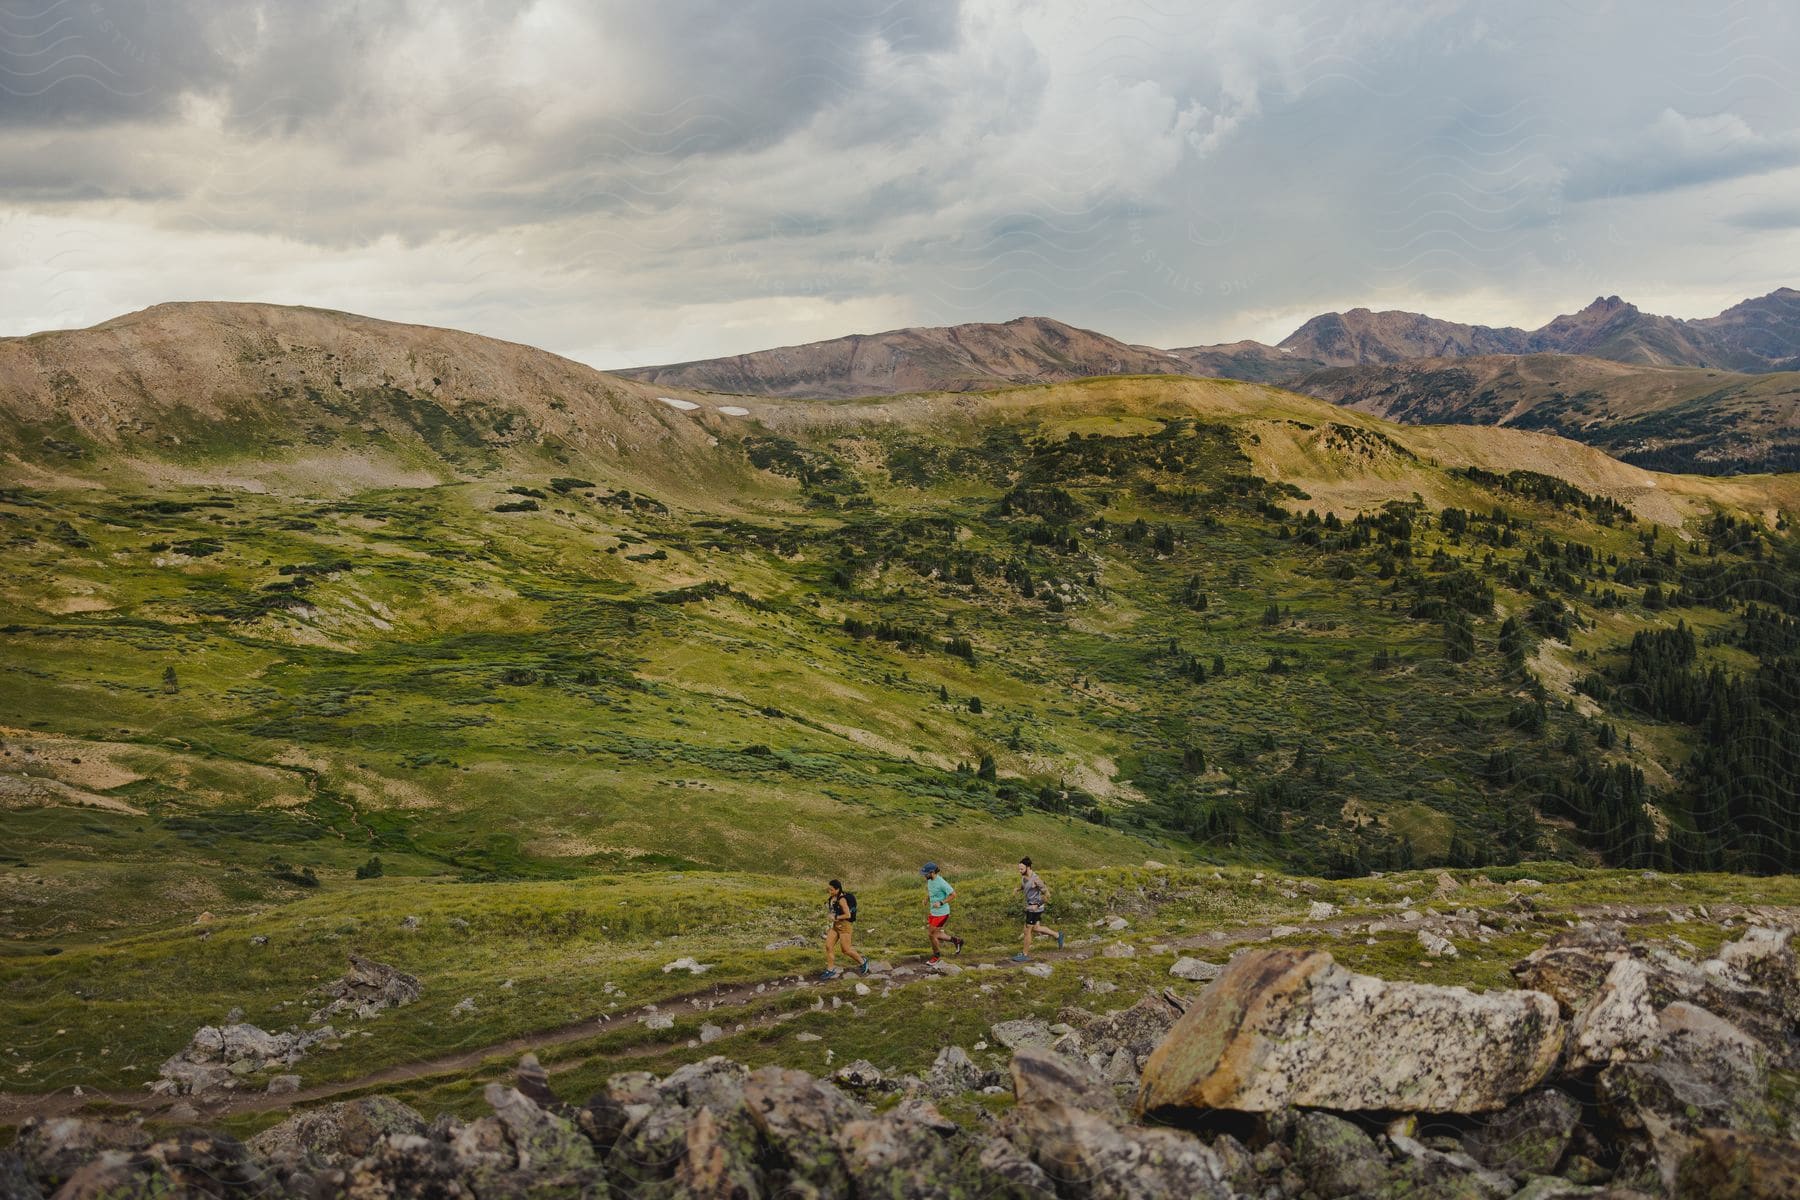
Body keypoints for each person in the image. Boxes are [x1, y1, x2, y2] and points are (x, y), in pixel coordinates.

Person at [1013, 856, 1063, 961]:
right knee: (1036, 928)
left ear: (1028, 867)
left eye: (1021, 869)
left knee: (1027, 931)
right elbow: (1025, 886)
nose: (1019, 871)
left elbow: (1048, 895)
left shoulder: (1036, 880)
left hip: (1035, 908)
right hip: (1030, 907)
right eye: (1019, 869)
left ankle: (1024, 955)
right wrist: (1018, 889)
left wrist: (1037, 904)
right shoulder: (1024, 877)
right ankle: (1058, 935)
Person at [820, 879, 870, 980]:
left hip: (845, 926)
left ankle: (863, 961)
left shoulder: (842, 899)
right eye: (829, 889)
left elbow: (848, 914)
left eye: (831, 889)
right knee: (828, 946)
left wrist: (836, 917)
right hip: (835, 926)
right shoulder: (832, 898)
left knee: (846, 950)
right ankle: (830, 970)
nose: (829, 891)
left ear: (837, 889)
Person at [920, 862, 964, 964]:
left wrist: (941, 902)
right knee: (934, 934)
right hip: (933, 912)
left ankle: (936, 956)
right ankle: (957, 941)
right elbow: (931, 891)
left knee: (931, 935)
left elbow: (953, 895)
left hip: (942, 913)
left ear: (932, 872)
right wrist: (926, 898)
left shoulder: (942, 883)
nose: (924, 876)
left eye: (926, 873)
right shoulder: (930, 880)